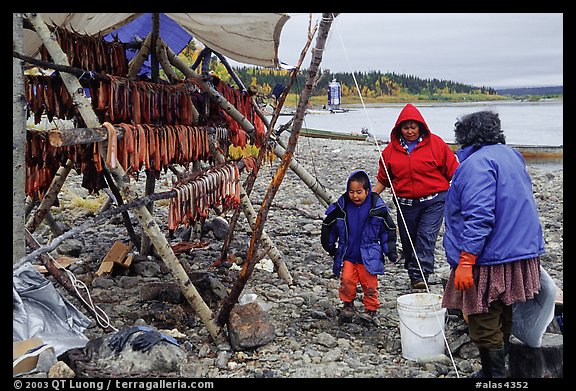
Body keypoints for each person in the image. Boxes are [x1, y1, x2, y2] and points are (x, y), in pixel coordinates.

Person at [441, 110, 545, 378]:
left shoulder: (476, 164)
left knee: (482, 315)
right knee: (504, 308)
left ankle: (494, 376)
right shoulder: (511, 155)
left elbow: (480, 216)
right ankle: (496, 371)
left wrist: (466, 260)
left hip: (490, 255)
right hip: (520, 250)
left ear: (465, 136)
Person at [372, 103, 459, 289]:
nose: (410, 131)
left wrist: (467, 195)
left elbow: (455, 173)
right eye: (405, 128)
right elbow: (383, 179)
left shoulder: (437, 145)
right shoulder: (389, 152)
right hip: (405, 205)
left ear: (420, 126)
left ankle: (421, 275)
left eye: (413, 127)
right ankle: (414, 271)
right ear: (399, 129)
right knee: (409, 240)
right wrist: (368, 199)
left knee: (426, 236)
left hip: (434, 202)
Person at [321, 170, 397, 325]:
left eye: (359, 192)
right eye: (351, 192)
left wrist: (390, 251)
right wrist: (329, 246)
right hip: (348, 254)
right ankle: (348, 305)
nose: (355, 196)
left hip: (369, 254)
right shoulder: (341, 208)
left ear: (367, 191)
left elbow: (388, 231)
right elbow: (330, 227)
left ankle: (370, 309)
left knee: (370, 285)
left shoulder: (377, 209)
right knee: (347, 281)